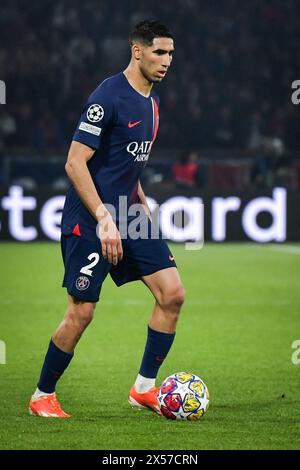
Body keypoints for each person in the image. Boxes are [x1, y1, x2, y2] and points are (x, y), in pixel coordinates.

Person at [29, 20, 185, 418]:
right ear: (137, 51)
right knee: (82, 311)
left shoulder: (152, 103)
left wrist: (142, 206)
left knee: (172, 294)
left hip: (130, 214)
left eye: (170, 53)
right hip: (90, 215)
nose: (166, 61)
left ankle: (144, 389)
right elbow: (74, 162)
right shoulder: (108, 96)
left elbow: (127, 168)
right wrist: (103, 217)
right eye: (158, 53)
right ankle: (42, 394)